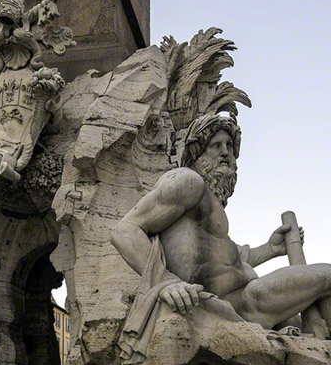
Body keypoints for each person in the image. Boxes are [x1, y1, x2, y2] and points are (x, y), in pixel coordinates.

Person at [112, 113, 331, 336]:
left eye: (229, 146)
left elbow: (225, 259)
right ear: (197, 154)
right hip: (242, 303)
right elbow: (125, 231)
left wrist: (270, 249)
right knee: (328, 276)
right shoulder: (187, 182)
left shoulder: (208, 205)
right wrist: (166, 282)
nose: (226, 152)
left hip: (249, 301)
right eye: (216, 145)